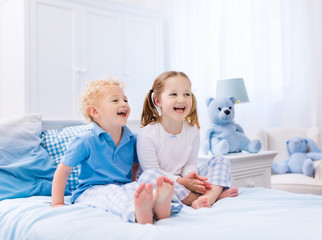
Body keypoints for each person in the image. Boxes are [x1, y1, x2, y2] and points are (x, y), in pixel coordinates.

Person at [51, 77, 181, 224]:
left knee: (141, 185)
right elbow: (63, 171)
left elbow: (135, 165)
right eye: (115, 101)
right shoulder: (86, 140)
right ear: (94, 111)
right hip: (92, 190)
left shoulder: (132, 139)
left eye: (125, 100)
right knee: (114, 195)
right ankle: (137, 213)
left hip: (123, 186)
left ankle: (161, 206)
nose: (124, 104)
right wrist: (57, 203)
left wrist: (133, 182)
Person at [137, 71, 238, 209]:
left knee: (221, 160)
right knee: (147, 176)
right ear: (158, 101)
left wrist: (192, 176)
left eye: (187, 94)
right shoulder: (147, 133)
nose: (182, 99)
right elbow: (152, 170)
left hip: (185, 181)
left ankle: (207, 197)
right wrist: (182, 182)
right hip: (166, 184)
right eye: (173, 94)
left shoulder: (192, 130)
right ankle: (210, 197)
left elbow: (190, 163)